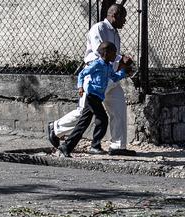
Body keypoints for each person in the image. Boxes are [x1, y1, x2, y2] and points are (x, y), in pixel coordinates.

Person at [47, 4, 136, 156]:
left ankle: (117, 146)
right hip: (95, 77)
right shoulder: (98, 28)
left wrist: (121, 69)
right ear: (114, 15)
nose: (125, 21)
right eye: (123, 17)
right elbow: (101, 51)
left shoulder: (115, 33)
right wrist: (122, 59)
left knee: (119, 107)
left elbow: (112, 57)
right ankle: (56, 128)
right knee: (84, 113)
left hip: (110, 75)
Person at [55, 42, 128, 158]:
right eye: (114, 53)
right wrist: (80, 87)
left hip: (98, 98)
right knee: (102, 119)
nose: (116, 55)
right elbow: (82, 74)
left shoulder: (108, 66)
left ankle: (67, 146)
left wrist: (123, 69)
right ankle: (94, 144)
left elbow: (114, 77)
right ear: (106, 53)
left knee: (83, 123)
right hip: (91, 96)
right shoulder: (97, 64)